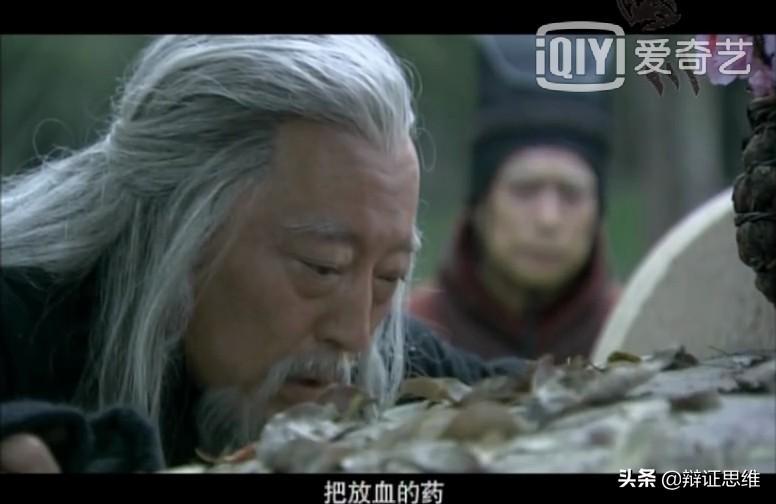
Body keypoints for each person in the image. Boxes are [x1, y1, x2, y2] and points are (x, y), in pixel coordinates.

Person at [0, 35, 530, 473]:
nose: (355, 334)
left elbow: (533, 404)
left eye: (389, 277)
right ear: (181, 228)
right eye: (322, 267)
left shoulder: (383, 362)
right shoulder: (19, 325)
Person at [410, 35, 621, 362]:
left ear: (598, 210)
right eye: (525, 190)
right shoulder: (410, 336)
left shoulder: (634, 333)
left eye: (571, 194)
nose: (548, 219)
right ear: (480, 203)